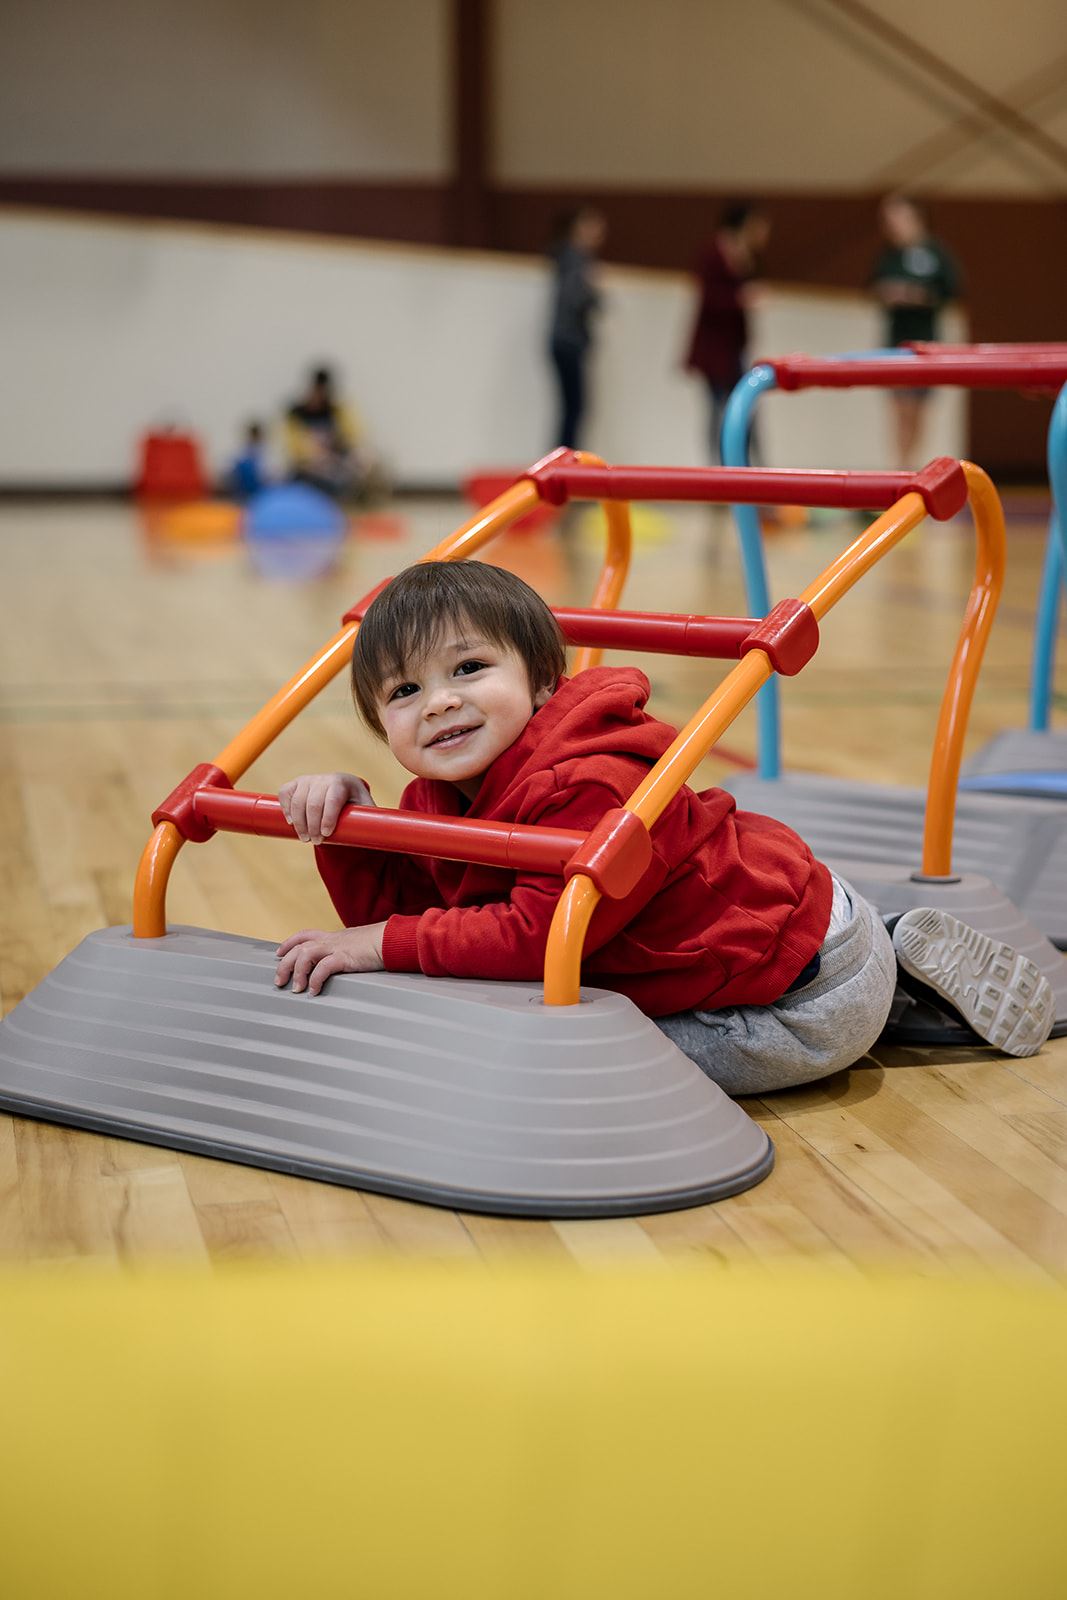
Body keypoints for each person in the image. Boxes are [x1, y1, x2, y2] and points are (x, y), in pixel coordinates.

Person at [273, 562, 1053, 1094]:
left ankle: (879, 986)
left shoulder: (587, 779)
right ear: (381, 724)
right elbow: (401, 918)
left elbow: (538, 937)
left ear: (543, 680)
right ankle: (892, 954)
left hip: (795, 1007)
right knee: (482, 987)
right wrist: (348, 825)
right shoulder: (440, 797)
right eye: (404, 690)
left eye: (468, 669)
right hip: (791, 929)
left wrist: (376, 946)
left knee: (560, 1059)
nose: (438, 701)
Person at [870, 196, 962, 469]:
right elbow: (874, 285)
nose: (893, 226)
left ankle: (911, 465)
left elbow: (951, 289)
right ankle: (900, 466)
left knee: (919, 409)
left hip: (926, 343)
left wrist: (918, 296)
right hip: (896, 343)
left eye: (898, 218)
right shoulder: (889, 255)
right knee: (900, 409)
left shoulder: (936, 254)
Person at [685, 202, 771, 463]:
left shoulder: (743, 255)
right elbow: (709, 298)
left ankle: (748, 471)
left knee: (745, 410)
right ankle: (722, 472)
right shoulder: (716, 253)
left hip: (734, 350)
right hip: (715, 352)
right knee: (722, 412)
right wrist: (740, 298)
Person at [547, 206, 606, 452]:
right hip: (568, 341)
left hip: (565, 341)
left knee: (572, 407)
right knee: (575, 407)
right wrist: (593, 290)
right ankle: (564, 463)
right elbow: (577, 299)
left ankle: (563, 460)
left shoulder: (569, 258)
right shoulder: (576, 260)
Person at [284, 365, 363, 498]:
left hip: (334, 464)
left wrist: (338, 451)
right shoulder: (297, 414)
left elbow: (354, 437)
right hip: (308, 466)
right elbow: (294, 448)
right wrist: (312, 458)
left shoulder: (338, 411)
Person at [227, 420, 269, 500]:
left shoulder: (264, 449)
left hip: (260, 484)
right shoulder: (244, 448)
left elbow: (266, 471)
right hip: (247, 484)